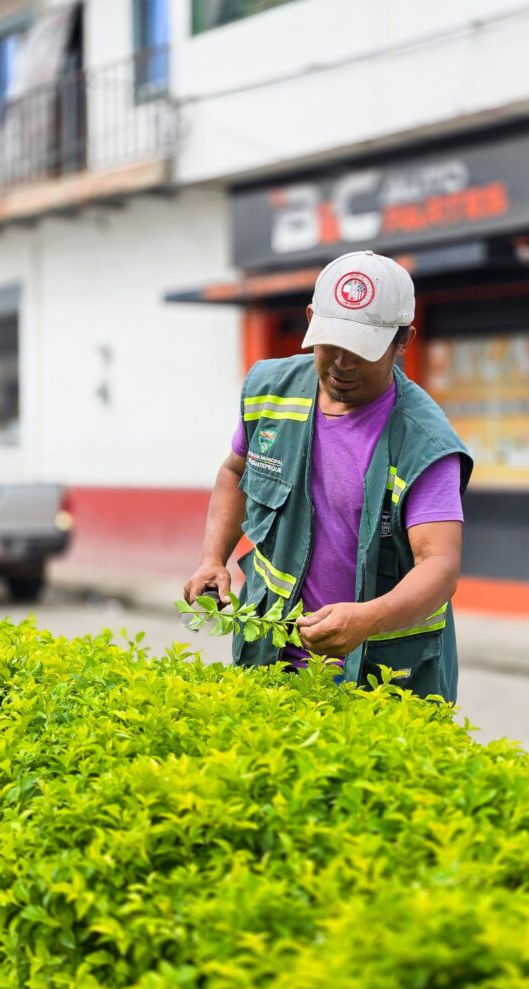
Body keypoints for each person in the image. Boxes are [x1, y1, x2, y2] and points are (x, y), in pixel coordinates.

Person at [184, 251, 473, 702]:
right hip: (273, 662)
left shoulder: (424, 442)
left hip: (383, 680)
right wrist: (212, 559)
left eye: (361, 350)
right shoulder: (270, 391)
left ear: (403, 341)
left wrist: (368, 619)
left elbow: (440, 565)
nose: (342, 363)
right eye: (330, 343)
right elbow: (234, 470)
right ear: (310, 321)